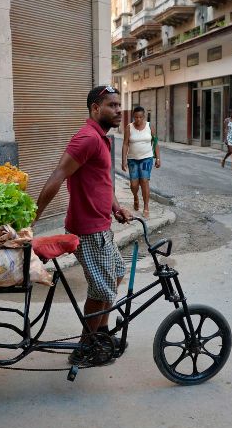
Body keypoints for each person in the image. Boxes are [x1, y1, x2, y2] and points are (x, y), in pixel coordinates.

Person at [35, 85, 132, 366]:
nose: (118, 111)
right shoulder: (87, 138)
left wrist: (116, 207)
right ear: (95, 109)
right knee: (101, 289)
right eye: (112, 105)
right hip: (89, 230)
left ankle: (100, 333)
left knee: (116, 274)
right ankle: (86, 347)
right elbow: (58, 175)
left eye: (118, 105)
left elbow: (102, 181)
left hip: (102, 226)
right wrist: (33, 217)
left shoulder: (102, 139)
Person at [121, 106, 160, 218]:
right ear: (133, 116)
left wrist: (157, 158)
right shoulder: (129, 127)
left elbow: (156, 142)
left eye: (140, 117)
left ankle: (146, 207)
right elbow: (125, 144)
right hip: (132, 159)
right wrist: (123, 160)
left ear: (144, 117)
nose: (138, 120)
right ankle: (135, 197)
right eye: (136, 117)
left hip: (146, 158)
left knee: (144, 181)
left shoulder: (149, 126)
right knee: (134, 184)